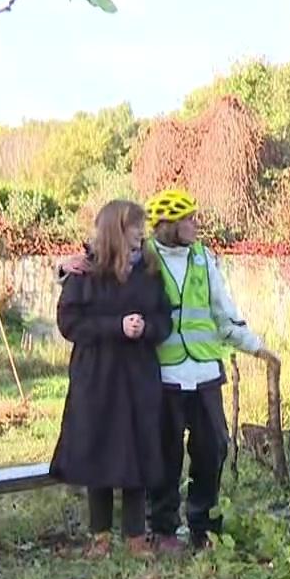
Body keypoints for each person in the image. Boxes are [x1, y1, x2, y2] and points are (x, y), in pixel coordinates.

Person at [69, 189, 278, 551]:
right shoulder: (145, 256)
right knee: (165, 453)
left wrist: (256, 346)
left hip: (205, 369)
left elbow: (222, 311)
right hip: (163, 374)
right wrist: (64, 267)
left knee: (213, 447)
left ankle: (204, 527)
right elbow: (99, 264)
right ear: (168, 224)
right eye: (188, 219)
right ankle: (164, 529)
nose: (196, 224)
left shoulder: (203, 258)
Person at [49, 200, 172, 556]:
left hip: (137, 375)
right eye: (136, 226)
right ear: (117, 229)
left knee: (137, 448)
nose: (141, 232)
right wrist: (115, 327)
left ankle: (135, 535)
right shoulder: (85, 271)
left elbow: (165, 318)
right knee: (98, 450)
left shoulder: (148, 269)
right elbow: (69, 322)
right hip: (97, 375)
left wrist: (147, 328)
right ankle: (99, 536)